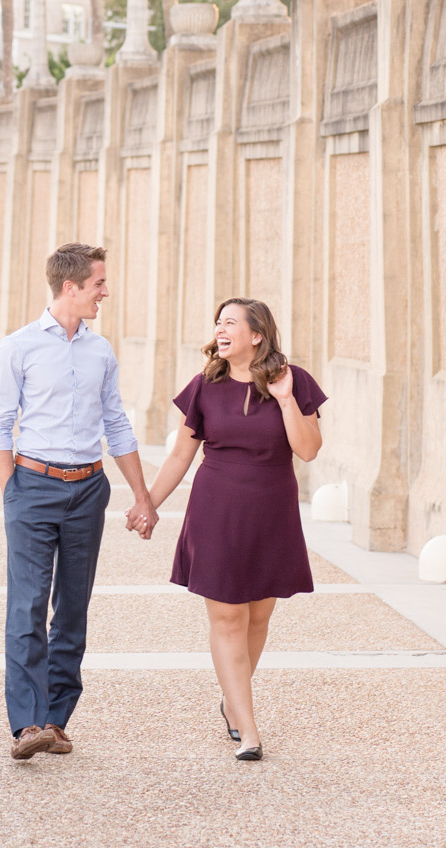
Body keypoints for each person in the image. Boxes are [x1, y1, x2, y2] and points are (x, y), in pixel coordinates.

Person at [133, 297, 323, 762]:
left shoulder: (293, 381)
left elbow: (309, 449)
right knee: (228, 618)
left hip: (272, 513)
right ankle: (249, 726)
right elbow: (181, 455)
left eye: (230, 323)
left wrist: (283, 402)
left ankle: (231, 700)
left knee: (258, 617)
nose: (220, 330)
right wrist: (148, 503)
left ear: (256, 335)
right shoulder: (204, 386)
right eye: (218, 323)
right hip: (216, 511)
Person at [0, 243, 157, 761]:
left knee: (73, 608)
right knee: (29, 602)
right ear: (71, 287)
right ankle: (26, 723)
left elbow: (115, 423)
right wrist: (11, 493)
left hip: (88, 488)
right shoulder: (17, 348)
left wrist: (142, 496)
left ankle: (56, 719)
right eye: (99, 283)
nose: (105, 292)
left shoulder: (100, 351)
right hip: (32, 486)